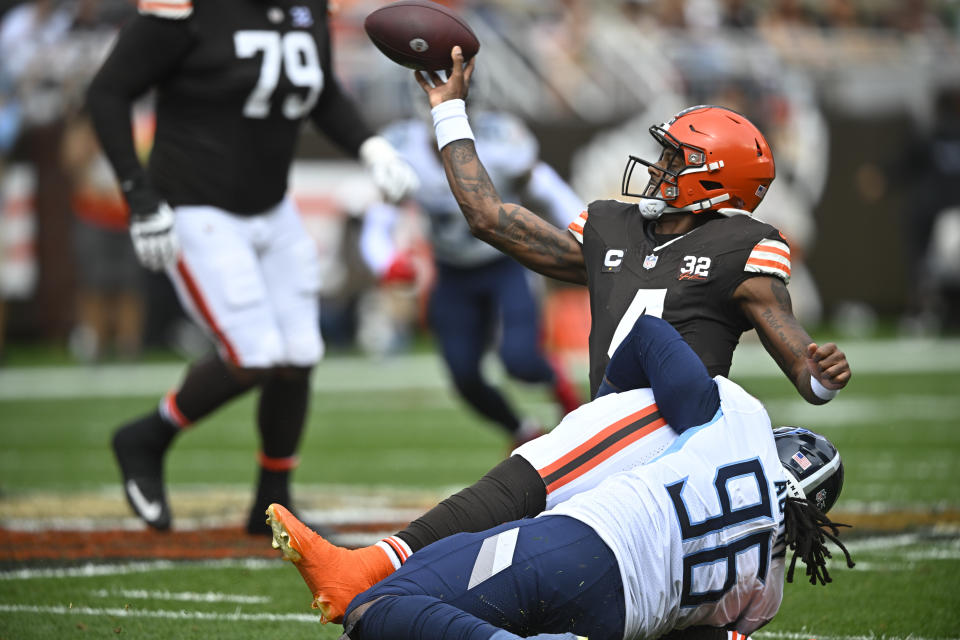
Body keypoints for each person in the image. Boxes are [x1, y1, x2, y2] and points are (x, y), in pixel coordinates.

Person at [267, 314, 854, 639]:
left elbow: (648, 333)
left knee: (378, 611)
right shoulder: (765, 590)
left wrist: (603, 409)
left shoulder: (742, 421)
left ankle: (371, 575)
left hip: (580, 548)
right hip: (619, 620)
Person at [85, 0, 419, 534]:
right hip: (195, 206)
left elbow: (321, 91)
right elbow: (107, 91)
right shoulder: (190, 10)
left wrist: (371, 147)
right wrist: (137, 191)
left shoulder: (307, 8)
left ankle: (271, 502)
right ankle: (147, 436)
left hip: (272, 206)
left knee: (300, 353)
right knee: (254, 353)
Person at [360, 110, 584, 447]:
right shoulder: (406, 148)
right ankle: (522, 432)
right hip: (452, 272)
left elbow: (548, 189)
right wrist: (386, 262)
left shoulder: (500, 139)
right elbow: (379, 221)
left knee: (520, 360)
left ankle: (566, 395)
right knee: (464, 375)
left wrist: (586, 231)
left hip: (508, 261)